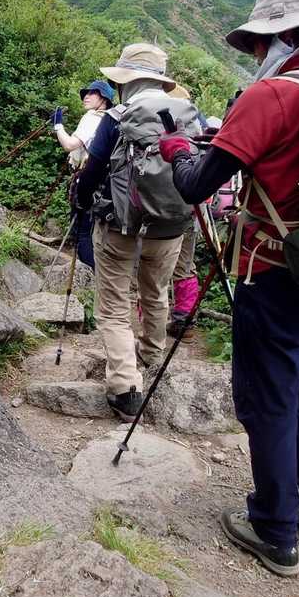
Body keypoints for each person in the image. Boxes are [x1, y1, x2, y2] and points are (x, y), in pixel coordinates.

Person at [156, 0, 299, 578]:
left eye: (257, 44)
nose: (254, 55)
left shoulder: (273, 95)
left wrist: (179, 150)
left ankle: (274, 529)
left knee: (268, 400)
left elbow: (197, 185)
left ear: (281, 36)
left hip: (276, 271)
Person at [73, 44, 200, 421]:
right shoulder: (187, 115)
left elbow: (93, 170)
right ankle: (150, 356)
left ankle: (126, 387)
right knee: (156, 292)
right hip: (170, 227)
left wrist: (82, 200)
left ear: (124, 81)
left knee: (114, 305)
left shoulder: (116, 116)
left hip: (120, 225)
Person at [51, 79, 115, 268]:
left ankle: (90, 274)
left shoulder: (92, 118)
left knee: (82, 232)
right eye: (85, 93)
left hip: (87, 180)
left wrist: (58, 126)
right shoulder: (110, 119)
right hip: (105, 184)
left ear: (104, 98)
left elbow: (70, 145)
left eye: (93, 93)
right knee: (95, 231)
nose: (86, 96)